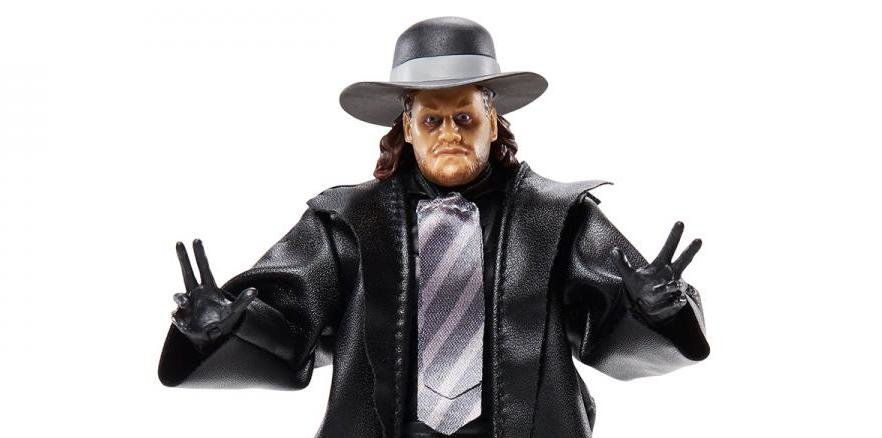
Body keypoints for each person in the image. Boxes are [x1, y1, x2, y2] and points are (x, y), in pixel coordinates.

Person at [158, 16, 710, 438]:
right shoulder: (347, 221)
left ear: (493, 121)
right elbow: (286, 324)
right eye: (432, 119)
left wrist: (653, 310)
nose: (449, 134)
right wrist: (223, 328)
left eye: (464, 117)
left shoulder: (555, 216)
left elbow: (610, 332)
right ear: (408, 127)